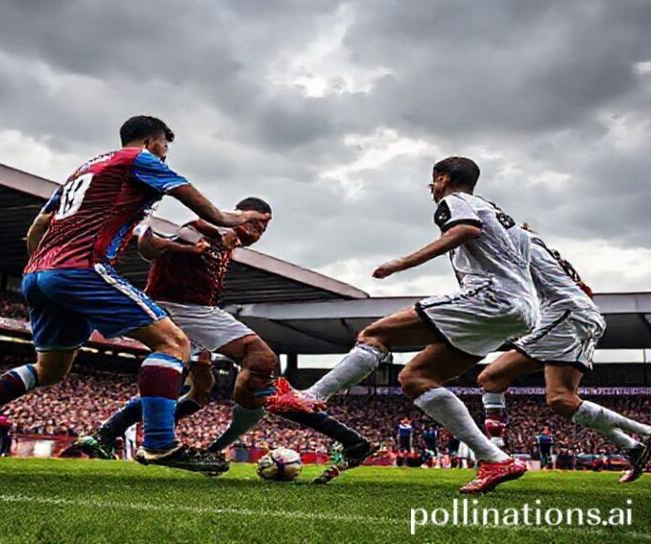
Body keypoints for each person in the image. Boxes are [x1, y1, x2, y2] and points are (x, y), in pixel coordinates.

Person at [0, 115, 269, 479]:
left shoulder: (82, 171)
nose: (165, 154)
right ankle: (161, 442)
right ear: (151, 140)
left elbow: (38, 226)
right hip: (82, 268)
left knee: (49, 370)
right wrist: (243, 215)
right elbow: (211, 213)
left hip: (39, 273)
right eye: (165, 145)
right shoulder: (139, 160)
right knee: (173, 344)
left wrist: (42, 270)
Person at [266, 156, 538, 493]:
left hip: (492, 298)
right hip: (522, 310)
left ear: (443, 178)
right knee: (416, 377)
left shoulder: (456, 202)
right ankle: (495, 459)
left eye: (432, 182)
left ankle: (311, 397)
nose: (431, 189)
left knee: (375, 334)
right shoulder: (507, 220)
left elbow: (465, 229)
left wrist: (401, 263)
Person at [70, 198, 373, 483]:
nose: (258, 231)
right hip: (180, 307)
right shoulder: (204, 229)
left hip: (186, 312)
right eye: (254, 222)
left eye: (263, 229)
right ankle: (350, 440)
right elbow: (150, 247)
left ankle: (107, 434)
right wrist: (180, 246)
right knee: (261, 358)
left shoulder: (226, 245)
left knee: (201, 390)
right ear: (238, 215)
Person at [477, 228, 651, 482]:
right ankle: (635, 447)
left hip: (566, 315)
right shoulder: (549, 254)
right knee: (562, 399)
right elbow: (586, 289)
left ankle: (497, 457)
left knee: (491, 377)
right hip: (583, 316)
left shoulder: (513, 245)